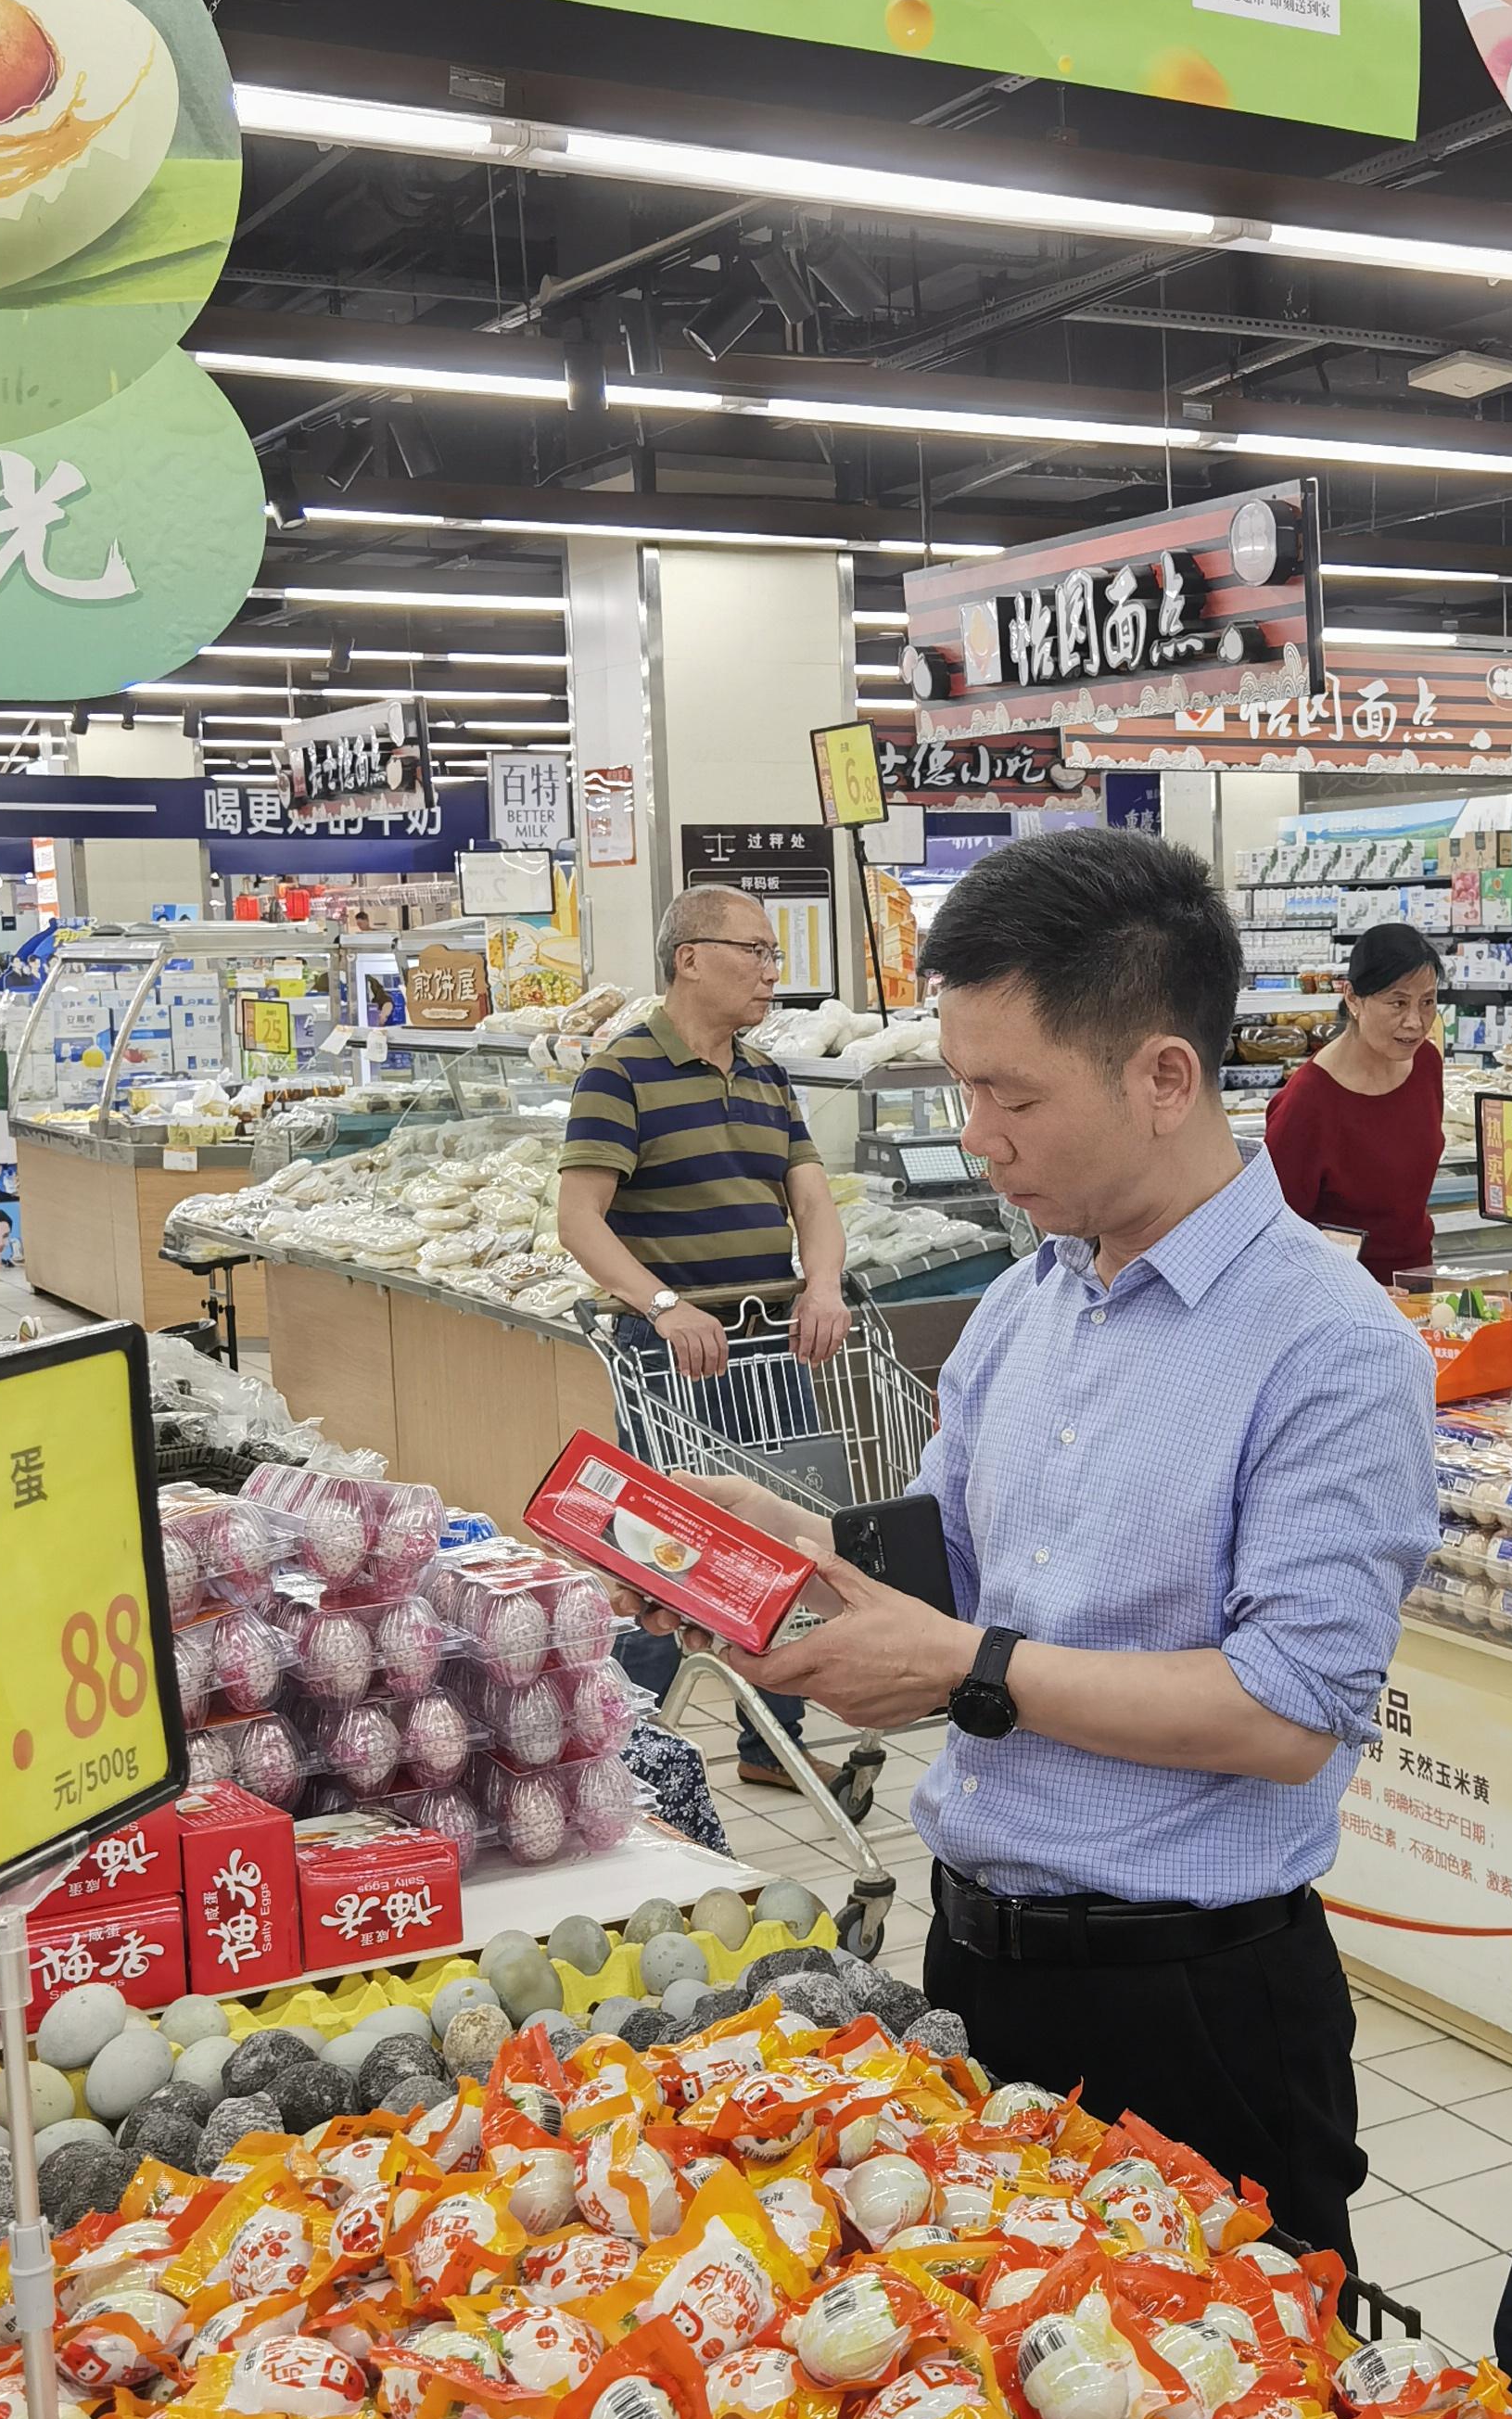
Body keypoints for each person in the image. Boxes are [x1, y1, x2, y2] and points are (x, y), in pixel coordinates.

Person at [699, 828, 1436, 2260]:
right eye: (963, 1086)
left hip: (1192, 2010)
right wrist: (799, 1554)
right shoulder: (1024, 1304)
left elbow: (1288, 1711)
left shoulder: (1330, 1349)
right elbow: (959, 1583)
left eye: (1012, 1094)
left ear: (1164, 1078)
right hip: (976, 1964)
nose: (977, 1135)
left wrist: (967, 1667)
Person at [555, 884, 853, 1789]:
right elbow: (579, 1218)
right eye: (754, 951)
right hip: (671, 1357)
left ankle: (772, 1741)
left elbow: (812, 1201)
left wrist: (823, 1283)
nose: (772, 971)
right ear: (689, 958)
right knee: (667, 1551)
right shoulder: (620, 1073)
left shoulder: (767, 1076)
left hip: (771, 1349)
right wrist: (662, 1304)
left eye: (773, 954)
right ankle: (621, 1747)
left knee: (781, 1553)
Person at [1264, 923, 1448, 1284]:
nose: (1415, 1022)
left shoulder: (1426, 1064)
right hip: (1336, 1293)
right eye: (1398, 1003)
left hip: (1417, 1281)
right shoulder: (1308, 1101)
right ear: (1353, 998)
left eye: (1427, 1002)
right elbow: (1274, 1229)